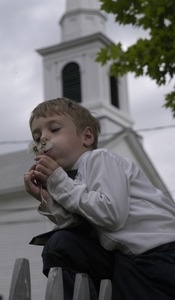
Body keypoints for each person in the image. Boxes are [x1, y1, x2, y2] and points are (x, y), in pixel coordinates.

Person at [24, 97, 175, 300]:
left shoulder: (100, 159)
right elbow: (82, 227)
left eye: (54, 129)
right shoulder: (72, 180)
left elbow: (111, 215)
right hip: (129, 262)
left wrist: (59, 182)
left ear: (87, 137)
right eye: (37, 136)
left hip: (161, 257)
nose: (43, 140)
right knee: (61, 243)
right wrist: (47, 199)